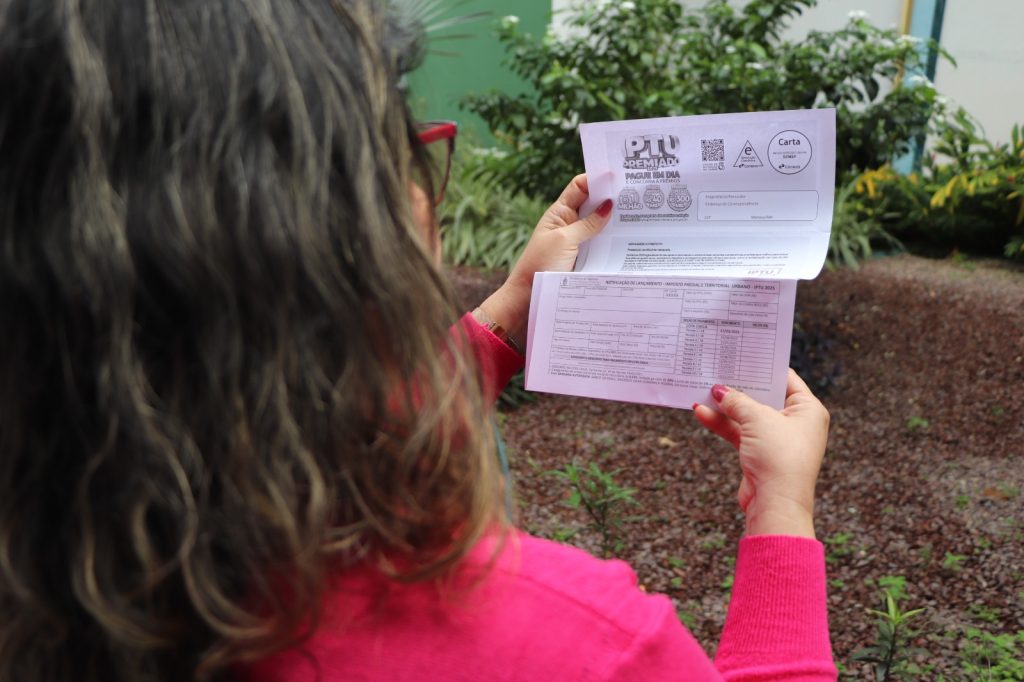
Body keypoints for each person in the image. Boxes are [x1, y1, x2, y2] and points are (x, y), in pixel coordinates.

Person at [0, 1, 836, 680]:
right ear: (366, 225)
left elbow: (308, 423)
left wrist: (507, 314)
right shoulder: (584, 649)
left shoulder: (51, 569)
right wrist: (781, 513)